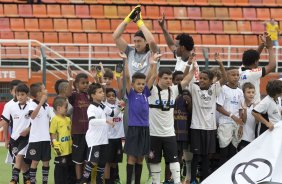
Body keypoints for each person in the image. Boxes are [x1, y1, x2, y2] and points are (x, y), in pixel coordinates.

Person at [148, 58, 196, 184]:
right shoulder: (151, 91)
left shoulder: (174, 90)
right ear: (159, 78)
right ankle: (156, 182)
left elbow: (187, 79)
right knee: (155, 161)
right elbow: (151, 77)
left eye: (170, 78)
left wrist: (193, 67)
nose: (169, 80)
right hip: (154, 134)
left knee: (174, 161)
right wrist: (153, 64)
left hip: (169, 134)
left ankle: (177, 182)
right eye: (166, 78)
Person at [121, 50, 160, 184]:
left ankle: (137, 182)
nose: (141, 86)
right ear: (132, 85)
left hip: (145, 129)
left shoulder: (145, 93)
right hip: (133, 129)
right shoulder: (130, 94)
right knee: (131, 158)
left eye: (143, 84)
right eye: (138, 84)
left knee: (140, 158)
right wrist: (126, 60)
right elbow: (127, 77)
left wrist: (153, 62)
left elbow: (153, 76)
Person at [189, 53, 227, 183]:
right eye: (201, 78)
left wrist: (220, 63)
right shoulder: (194, 88)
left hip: (210, 128)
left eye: (205, 79)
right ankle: (193, 180)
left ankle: (204, 180)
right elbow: (189, 76)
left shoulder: (214, 89)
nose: (202, 80)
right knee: (196, 156)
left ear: (211, 81)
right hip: (196, 128)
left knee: (206, 157)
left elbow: (225, 78)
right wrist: (192, 63)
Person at [80, 83, 123, 184]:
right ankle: (83, 181)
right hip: (95, 140)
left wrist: (119, 107)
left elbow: (113, 114)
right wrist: (106, 121)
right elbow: (91, 121)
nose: (103, 94)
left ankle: (99, 181)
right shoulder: (91, 108)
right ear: (92, 95)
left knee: (102, 163)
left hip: (104, 139)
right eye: (100, 92)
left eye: (102, 91)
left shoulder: (102, 105)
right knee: (92, 162)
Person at [113, 5, 158, 77]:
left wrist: (140, 22)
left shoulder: (152, 53)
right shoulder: (130, 52)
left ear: (146, 41)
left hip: (149, 88)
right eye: (135, 41)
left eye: (139, 41)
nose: (136, 44)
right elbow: (116, 37)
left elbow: (152, 42)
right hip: (132, 88)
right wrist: (128, 19)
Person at [1, 84, 31, 184]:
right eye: (18, 95)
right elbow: (4, 121)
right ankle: (27, 178)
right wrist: (7, 139)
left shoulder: (32, 105)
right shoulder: (11, 106)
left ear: (27, 95)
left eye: (22, 94)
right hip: (14, 138)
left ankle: (13, 179)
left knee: (19, 156)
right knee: (20, 161)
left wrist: (29, 129)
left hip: (26, 138)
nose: (20, 97)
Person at [158, 12, 199, 82]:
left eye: (177, 46)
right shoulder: (181, 57)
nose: (175, 48)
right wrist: (163, 28)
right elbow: (171, 45)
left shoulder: (188, 66)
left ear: (182, 48)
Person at [66, 70, 90, 183]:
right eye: (83, 83)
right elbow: (67, 94)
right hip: (78, 132)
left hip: (89, 133)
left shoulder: (89, 96)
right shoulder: (75, 96)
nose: (85, 85)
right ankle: (79, 179)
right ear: (77, 85)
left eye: (87, 83)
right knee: (78, 160)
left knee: (87, 159)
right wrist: (70, 79)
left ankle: (85, 179)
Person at [216, 67, 244, 165]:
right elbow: (218, 107)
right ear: (227, 76)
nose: (236, 77)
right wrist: (232, 116)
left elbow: (240, 109)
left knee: (233, 152)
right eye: (233, 75)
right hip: (225, 123)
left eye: (237, 75)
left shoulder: (240, 91)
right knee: (224, 152)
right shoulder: (223, 89)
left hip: (236, 124)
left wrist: (241, 125)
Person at [25, 83, 51, 184]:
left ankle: (45, 182)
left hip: (46, 139)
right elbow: (32, 116)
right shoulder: (32, 104)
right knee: (34, 162)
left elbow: (49, 121)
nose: (47, 91)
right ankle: (32, 181)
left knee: (46, 162)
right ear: (39, 93)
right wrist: (41, 103)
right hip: (35, 139)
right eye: (44, 89)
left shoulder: (47, 106)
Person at [239, 33, 276, 102]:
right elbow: (272, 66)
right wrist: (270, 47)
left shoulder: (240, 70)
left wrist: (263, 44)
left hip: (243, 105)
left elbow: (254, 56)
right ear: (256, 62)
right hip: (253, 107)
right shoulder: (252, 73)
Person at [50, 96, 73, 184]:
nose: (67, 109)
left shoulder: (68, 119)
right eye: (65, 107)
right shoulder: (55, 119)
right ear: (58, 108)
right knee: (60, 171)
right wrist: (55, 144)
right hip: (61, 150)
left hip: (69, 150)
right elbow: (53, 133)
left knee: (68, 171)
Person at [104, 88, 124, 184]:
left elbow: (120, 92)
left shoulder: (119, 105)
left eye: (113, 95)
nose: (111, 97)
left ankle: (113, 179)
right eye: (109, 96)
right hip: (108, 138)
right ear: (105, 97)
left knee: (114, 162)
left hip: (118, 138)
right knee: (107, 161)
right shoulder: (104, 106)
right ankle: (107, 181)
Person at [237, 82, 257, 151]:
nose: (251, 94)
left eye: (253, 92)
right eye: (248, 92)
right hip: (242, 137)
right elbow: (243, 121)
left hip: (252, 137)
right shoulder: (241, 105)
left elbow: (257, 122)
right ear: (243, 94)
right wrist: (245, 110)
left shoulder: (256, 106)